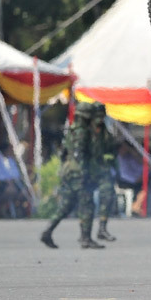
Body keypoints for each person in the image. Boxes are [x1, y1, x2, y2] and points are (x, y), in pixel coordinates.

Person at [40, 102, 104, 249]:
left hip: (69, 172)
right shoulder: (83, 132)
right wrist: (85, 173)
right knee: (87, 205)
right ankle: (85, 238)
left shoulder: (72, 130)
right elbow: (79, 154)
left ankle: (48, 231)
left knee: (66, 205)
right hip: (79, 174)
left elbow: (63, 153)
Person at [90, 103, 118, 241]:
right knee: (79, 201)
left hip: (102, 171)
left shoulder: (105, 132)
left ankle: (102, 228)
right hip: (87, 171)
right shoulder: (85, 131)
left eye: (102, 115)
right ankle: (49, 230)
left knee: (108, 196)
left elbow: (111, 151)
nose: (100, 118)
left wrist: (113, 166)